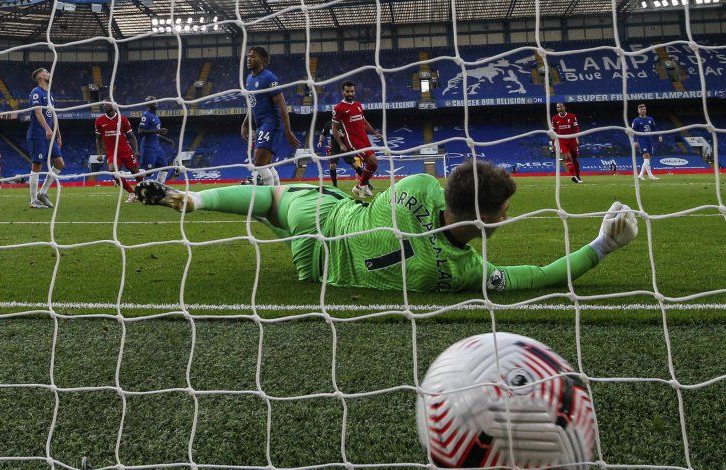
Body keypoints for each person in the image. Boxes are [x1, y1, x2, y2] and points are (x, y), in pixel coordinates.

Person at [134, 159, 638, 293]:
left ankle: (196, 199)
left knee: (269, 200)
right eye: (503, 211)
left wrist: (367, 198)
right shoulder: (460, 272)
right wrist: (600, 246)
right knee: (273, 208)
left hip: (321, 218)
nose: (507, 217)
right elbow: (537, 275)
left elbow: (403, 198)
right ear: (485, 219)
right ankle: (197, 200)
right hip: (324, 269)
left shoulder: (417, 186)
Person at [241, 46, 300, 185]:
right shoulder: (249, 79)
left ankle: (270, 199)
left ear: (263, 60)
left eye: (253, 56)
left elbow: (282, 105)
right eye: (248, 56)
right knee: (267, 164)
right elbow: (252, 104)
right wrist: (245, 124)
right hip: (261, 124)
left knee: (259, 162)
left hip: (272, 123)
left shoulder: (269, 78)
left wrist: (288, 131)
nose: (249, 59)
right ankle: (277, 193)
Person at [331, 80, 380, 197]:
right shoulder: (339, 108)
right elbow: (334, 128)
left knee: (374, 164)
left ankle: (360, 186)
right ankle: (361, 186)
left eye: (352, 91)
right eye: (347, 91)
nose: (350, 94)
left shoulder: (358, 105)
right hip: (353, 141)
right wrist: (341, 144)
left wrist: (375, 133)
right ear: (342, 92)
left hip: (364, 139)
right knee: (372, 161)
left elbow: (364, 122)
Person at [27, 68, 64, 208]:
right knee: (37, 165)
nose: (49, 74)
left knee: (60, 163)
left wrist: (58, 134)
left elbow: (53, 116)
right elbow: (38, 112)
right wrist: (47, 129)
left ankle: (42, 193)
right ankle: (33, 200)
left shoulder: (50, 95)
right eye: (47, 72)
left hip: (50, 136)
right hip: (38, 134)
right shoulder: (36, 92)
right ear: (41, 76)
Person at [95, 102, 141, 202]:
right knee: (113, 172)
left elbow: (131, 136)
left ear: (113, 106)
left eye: (106, 104)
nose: (104, 106)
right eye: (103, 105)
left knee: (136, 172)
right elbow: (98, 138)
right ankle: (131, 193)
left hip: (126, 150)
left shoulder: (122, 119)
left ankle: (142, 191)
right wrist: (99, 153)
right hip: (112, 153)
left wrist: (136, 151)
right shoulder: (99, 121)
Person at [317, 117, 363, 188]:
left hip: (345, 147)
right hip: (334, 148)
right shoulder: (329, 124)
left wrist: (343, 135)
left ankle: (366, 182)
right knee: (332, 166)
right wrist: (320, 141)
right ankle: (335, 186)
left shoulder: (345, 123)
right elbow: (323, 134)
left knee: (354, 165)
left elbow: (351, 135)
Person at [138, 101, 174, 183]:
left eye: (155, 101)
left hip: (157, 148)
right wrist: (157, 131)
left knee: (164, 167)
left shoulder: (155, 117)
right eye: (152, 102)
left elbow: (156, 134)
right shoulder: (146, 115)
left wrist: (167, 140)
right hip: (148, 147)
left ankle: (160, 185)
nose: (155, 103)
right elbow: (140, 131)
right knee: (149, 172)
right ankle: (127, 175)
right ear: (148, 105)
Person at [551, 102, 582, 183]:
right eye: (557, 107)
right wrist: (553, 143)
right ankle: (573, 176)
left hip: (572, 140)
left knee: (575, 159)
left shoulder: (571, 116)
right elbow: (553, 132)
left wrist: (577, 136)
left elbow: (577, 128)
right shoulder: (554, 118)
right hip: (562, 141)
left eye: (560, 107)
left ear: (564, 107)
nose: (559, 109)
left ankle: (578, 177)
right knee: (567, 157)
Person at [631, 103, 662, 180]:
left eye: (644, 109)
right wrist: (635, 141)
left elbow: (655, 128)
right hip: (641, 140)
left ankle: (640, 175)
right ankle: (650, 176)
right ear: (638, 111)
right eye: (641, 109)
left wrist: (659, 135)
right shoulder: (636, 121)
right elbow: (634, 132)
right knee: (646, 156)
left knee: (648, 159)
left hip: (649, 140)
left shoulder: (650, 119)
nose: (643, 110)